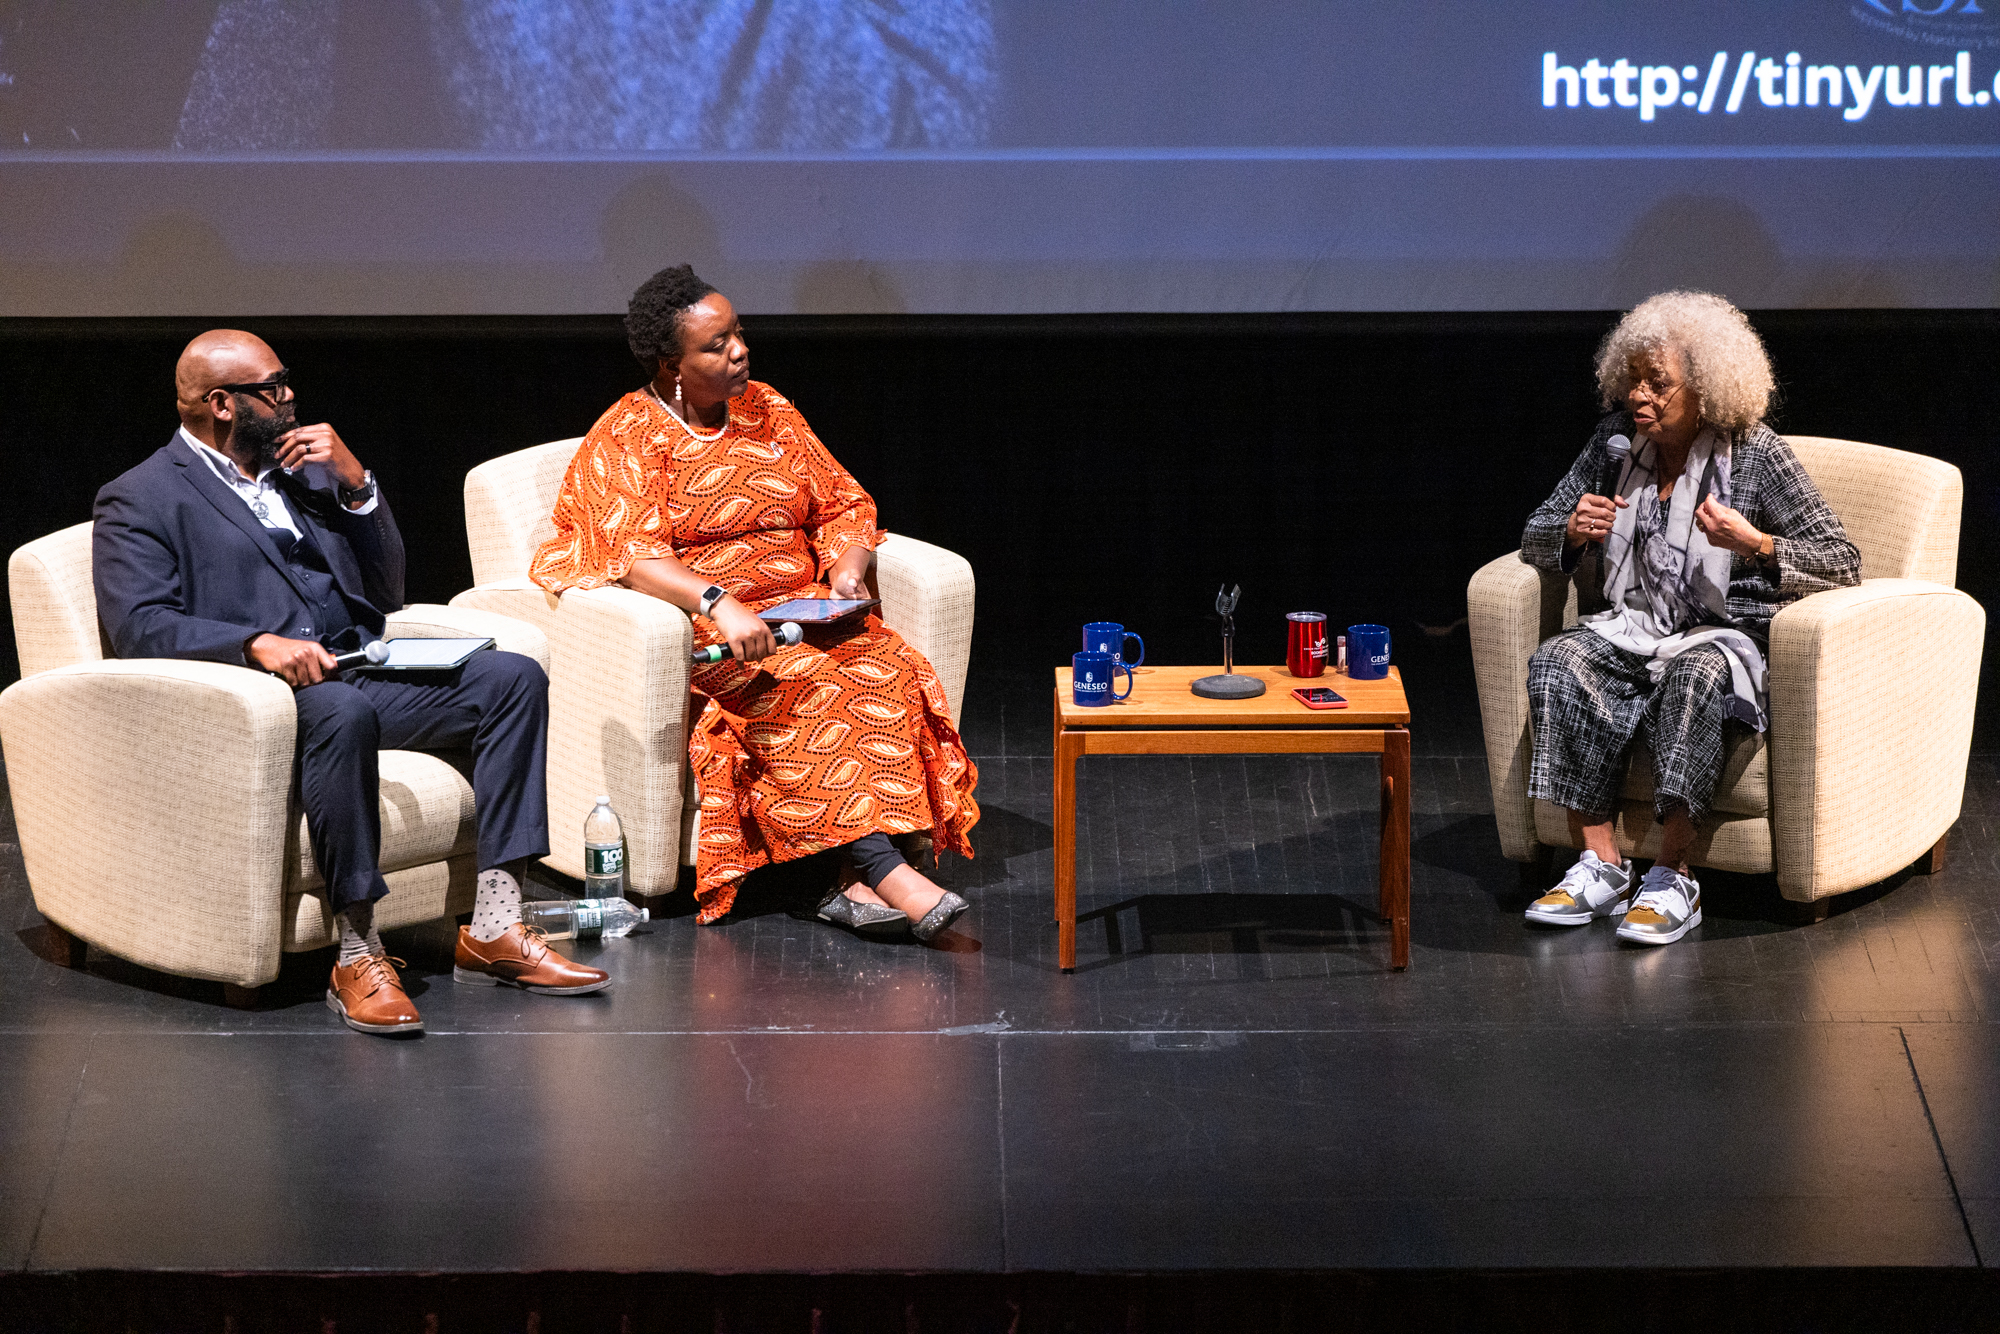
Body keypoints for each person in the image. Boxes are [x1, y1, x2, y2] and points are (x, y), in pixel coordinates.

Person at [92, 330, 610, 1035]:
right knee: (340, 712)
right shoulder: (142, 497)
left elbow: (386, 590)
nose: (289, 397)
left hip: (359, 666)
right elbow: (140, 627)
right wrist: (253, 645)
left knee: (512, 677)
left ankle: (494, 925)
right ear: (220, 404)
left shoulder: (302, 473)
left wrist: (358, 483)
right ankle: (359, 951)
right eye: (272, 387)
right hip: (262, 698)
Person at [529, 265, 980, 941]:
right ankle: (890, 875)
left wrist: (850, 570)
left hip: (807, 619)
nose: (739, 350)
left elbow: (843, 502)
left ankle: (837, 882)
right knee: (808, 691)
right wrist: (720, 601)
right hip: (712, 639)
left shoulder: (770, 409)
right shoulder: (628, 435)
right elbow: (633, 554)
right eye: (715, 345)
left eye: (738, 333)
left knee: (882, 667)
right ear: (671, 364)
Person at [1519, 291, 1860, 945]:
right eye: (1633, 382)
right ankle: (1601, 864)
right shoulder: (1613, 446)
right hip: (1634, 624)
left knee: (1699, 670)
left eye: (1659, 384)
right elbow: (1535, 530)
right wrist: (1571, 531)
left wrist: (1755, 544)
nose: (1639, 398)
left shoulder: (1754, 454)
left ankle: (1674, 875)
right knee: (1559, 658)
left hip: (1725, 633)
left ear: (1706, 389)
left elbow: (1841, 560)